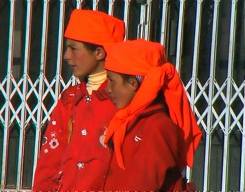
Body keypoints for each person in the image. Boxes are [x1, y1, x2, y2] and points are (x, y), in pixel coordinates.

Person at [32, 9, 125, 191]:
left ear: (99, 52)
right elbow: (50, 159)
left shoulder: (121, 101)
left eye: (74, 49)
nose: (67, 56)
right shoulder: (70, 98)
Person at [102, 39, 202, 191]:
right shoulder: (128, 121)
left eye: (111, 80)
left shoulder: (157, 128)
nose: (107, 89)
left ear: (133, 83)